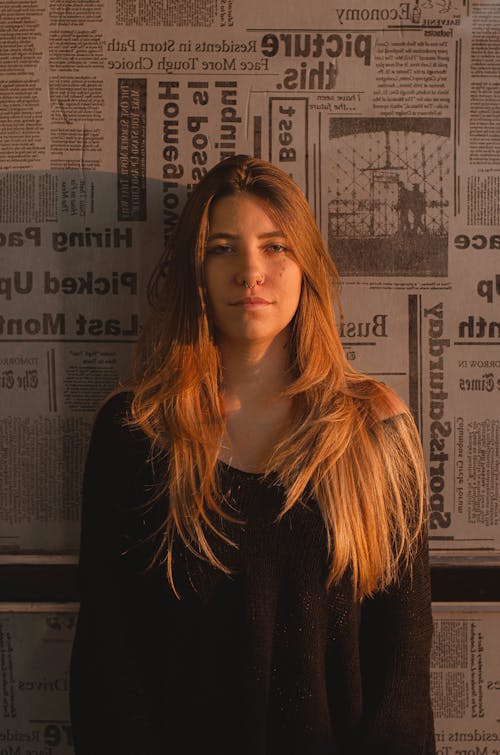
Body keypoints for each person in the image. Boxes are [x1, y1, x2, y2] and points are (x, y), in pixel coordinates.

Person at [70, 155, 435, 754]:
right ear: (196, 269)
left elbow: (402, 672)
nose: (250, 272)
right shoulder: (135, 434)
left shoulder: (374, 429)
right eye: (222, 248)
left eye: (275, 247)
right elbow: (110, 666)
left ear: (306, 266)